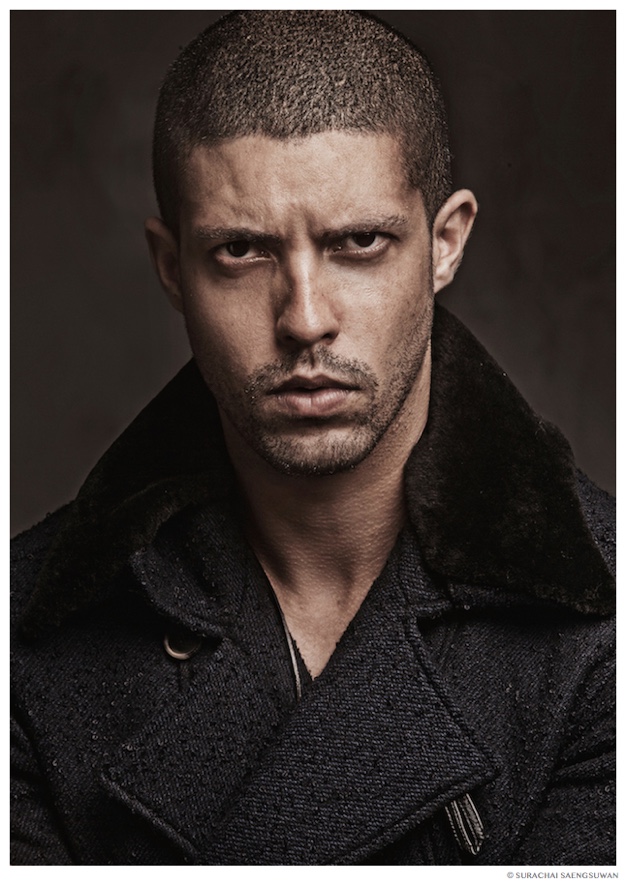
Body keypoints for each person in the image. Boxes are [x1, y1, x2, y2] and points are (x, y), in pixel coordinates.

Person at [11, 10, 615, 866]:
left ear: (444, 245)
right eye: (241, 251)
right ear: (172, 267)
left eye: (359, 242)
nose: (303, 319)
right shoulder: (25, 637)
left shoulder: (603, 627)